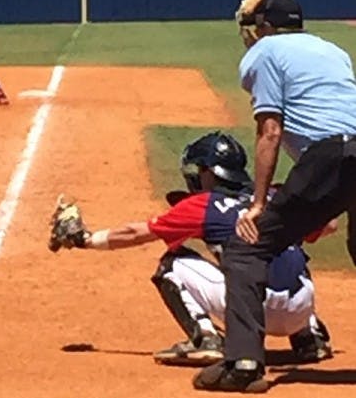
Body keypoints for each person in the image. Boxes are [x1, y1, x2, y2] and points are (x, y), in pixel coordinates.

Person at [49, 130, 333, 367]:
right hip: (301, 308)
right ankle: (309, 339)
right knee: (287, 250)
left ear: (209, 172)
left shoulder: (202, 204)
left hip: (255, 311)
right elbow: (329, 225)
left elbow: (135, 233)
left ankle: (205, 339)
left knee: (171, 263)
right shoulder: (271, 196)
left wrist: (84, 239)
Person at [194, 0, 356, 394]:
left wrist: (259, 204)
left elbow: (270, 132)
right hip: (344, 154)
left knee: (247, 248)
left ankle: (244, 363)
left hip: (329, 157)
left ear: (266, 26)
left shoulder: (263, 54)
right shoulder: (332, 50)